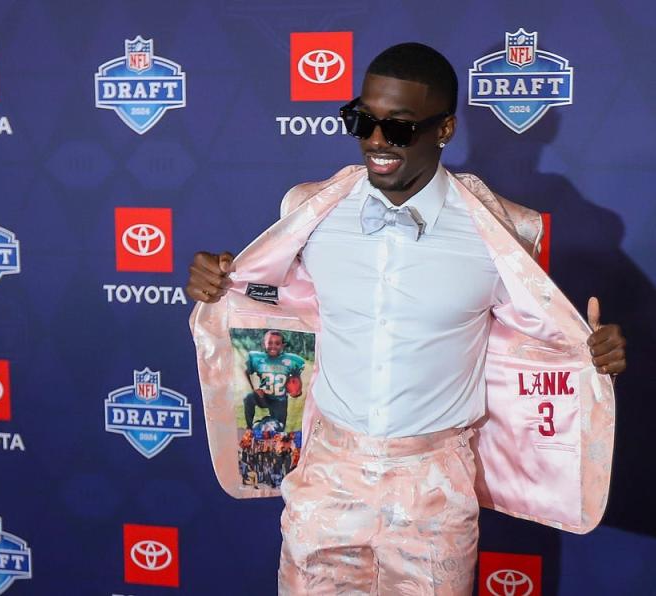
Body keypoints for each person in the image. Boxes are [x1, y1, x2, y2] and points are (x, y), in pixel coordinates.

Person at [188, 42, 626, 595]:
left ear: (444, 129)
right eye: (362, 120)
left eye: (398, 128)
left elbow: (537, 338)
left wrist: (592, 355)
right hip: (327, 476)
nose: (375, 140)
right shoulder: (309, 209)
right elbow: (271, 298)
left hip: (435, 488)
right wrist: (217, 283)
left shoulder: (504, 230)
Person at [243, 329, 305, 430]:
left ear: (282, 346)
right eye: (270, 342)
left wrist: (297, 390)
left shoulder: (291, 360)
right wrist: (253, 388)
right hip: (264, 396)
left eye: (277, 343)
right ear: (264, 344)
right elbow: (246, 371)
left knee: (279, 428)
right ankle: (249, 427)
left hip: (280, 400)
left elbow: (296, 376)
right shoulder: (258, 359)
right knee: (248, 398)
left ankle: (266, 422)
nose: (273, 346)